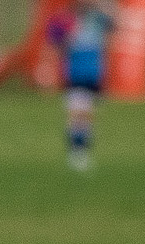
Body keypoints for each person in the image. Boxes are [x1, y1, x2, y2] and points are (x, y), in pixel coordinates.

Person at [47, 0, 114, 172]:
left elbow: (114, 25)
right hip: (75, 72)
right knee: (78, 113)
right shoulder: (65, 19)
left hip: (94, 73)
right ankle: (77, 153)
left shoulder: (98, 18)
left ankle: (81, 151)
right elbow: (53, 39)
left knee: (87, 115)